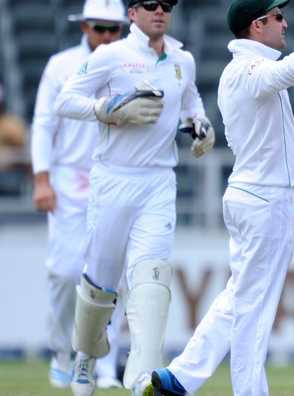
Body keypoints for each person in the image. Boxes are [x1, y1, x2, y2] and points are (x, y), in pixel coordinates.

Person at [147, 1, 294, 395]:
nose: (285, 23)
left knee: (241, 296)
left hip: (264, 193)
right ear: (257, 26)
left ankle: (181, 375)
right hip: (261, 200)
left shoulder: (248, 71)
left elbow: (264, 141)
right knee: (255, 309)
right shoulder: (246, 71)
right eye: (277, 17)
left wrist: (288, 188)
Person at [54, 0, 214, 394]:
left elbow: (191, 103)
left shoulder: (183, 60)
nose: (160, 11)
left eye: (167, 5)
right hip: (113, 178)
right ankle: (85, 360)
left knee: (151, 277)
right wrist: (106, 110)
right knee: (101, 281)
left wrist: (201, 124)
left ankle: (143, 375)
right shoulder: (113, 56)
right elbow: (65, 101)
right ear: (133, 14)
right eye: (150, 4)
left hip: (159, 181)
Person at [30, 0, 128, 389]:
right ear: (85, 26)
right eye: (99, 28)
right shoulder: (60, 65)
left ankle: (103, 363)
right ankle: (62, 349)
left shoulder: (129, 62)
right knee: (64, 272)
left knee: (112, 279)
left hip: (114, 178)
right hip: (69, 180)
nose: (106, 37)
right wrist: (42, 178)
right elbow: (42, 125)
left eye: (113, 29)